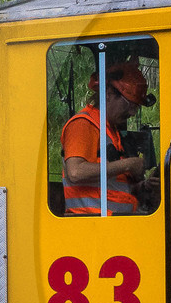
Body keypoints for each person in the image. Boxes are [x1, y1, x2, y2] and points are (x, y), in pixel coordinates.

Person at [62, 62, 158, 214]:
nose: (132, 113)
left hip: (115, 221)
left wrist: (144, 186)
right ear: (108, 93)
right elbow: (75, 172)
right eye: (129, 105)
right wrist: (128, 164)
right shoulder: (83, 124)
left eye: (136, 108)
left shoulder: (111, 131)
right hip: (92, 222)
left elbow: (115, 189)